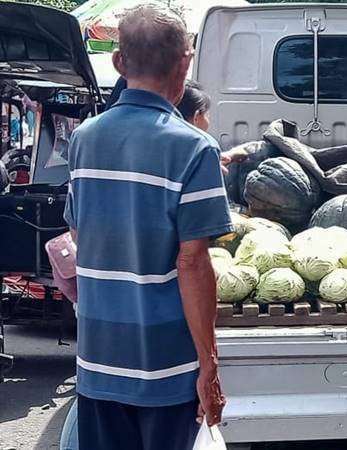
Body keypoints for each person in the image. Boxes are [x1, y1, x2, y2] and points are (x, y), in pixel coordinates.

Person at [63, 5, 232, 449]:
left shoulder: (84, 138)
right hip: (165, 367)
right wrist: (209, 363)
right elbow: (192, 263)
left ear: (119, 62)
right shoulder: (195, 148)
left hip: (98, 359)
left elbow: (80, 236)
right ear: (185, 63)